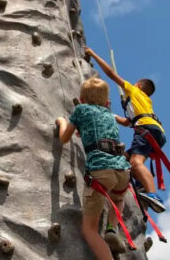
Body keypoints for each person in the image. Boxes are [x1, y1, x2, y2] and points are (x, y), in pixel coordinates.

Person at [84, 46, 167, 213]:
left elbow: (111, 74)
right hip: (153, 130)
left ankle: (152, 194)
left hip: (146, 129)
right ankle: (141, 186)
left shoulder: (135, 91)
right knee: (124, 159)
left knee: (136, 163)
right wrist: (107, 113)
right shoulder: (143, 105)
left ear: (139, 86)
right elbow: (126, 122)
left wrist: (93, 53)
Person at [56, 77, 131, 258]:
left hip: (100, 171)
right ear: (107, 101)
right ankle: (112, 228)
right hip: (122, 170)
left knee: (89, 230)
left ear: (81, 99)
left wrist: (61, 123)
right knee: (118, 198)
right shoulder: (109, 115)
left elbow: (65, 138)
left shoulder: (81, 110)